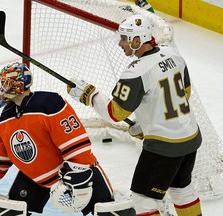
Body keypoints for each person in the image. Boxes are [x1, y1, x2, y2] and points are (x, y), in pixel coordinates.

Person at [0, 62, 136, 216]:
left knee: (107, 211)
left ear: (18, 85)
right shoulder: (6, 117)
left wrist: (79, 173)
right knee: (11, 210)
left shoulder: (49, 104)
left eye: (6, 84)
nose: (2, 89)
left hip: (74, 174)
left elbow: (75, 143)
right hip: (36, 178)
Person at [67, 14, 203, 216]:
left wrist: (90, 95)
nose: (120, 43)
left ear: (137, 41)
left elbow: (115, 113)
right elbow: (184, 94)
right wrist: (147, 124)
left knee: (142, 200)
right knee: (182, 190)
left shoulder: (136, 71)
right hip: (190, 138)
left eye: (124, 38)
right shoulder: (173, 55)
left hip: (164, 148)